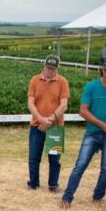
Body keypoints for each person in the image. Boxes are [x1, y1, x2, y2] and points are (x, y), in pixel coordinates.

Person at [61, 56, 106, 208]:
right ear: (101, 70)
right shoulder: (91, 86)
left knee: (105, 169)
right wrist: (102, 124)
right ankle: (67, 197)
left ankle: (98, 197)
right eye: (105, 70)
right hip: (92, 132)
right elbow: (83, 111)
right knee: (80, 165)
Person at [27, 55, 70, 191]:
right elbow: (30, 103)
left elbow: (64, 105)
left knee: (54, 159)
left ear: (57, 69)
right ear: (43, 66)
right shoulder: (34, 80)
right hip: (36, 125)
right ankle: (33, 183)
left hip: (55, 127)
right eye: (48, 68)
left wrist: (49, 121)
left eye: (53, 69)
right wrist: (40, 119)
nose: (50, 71)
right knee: (34, 157)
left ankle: (53, 184)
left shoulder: (63, 82)